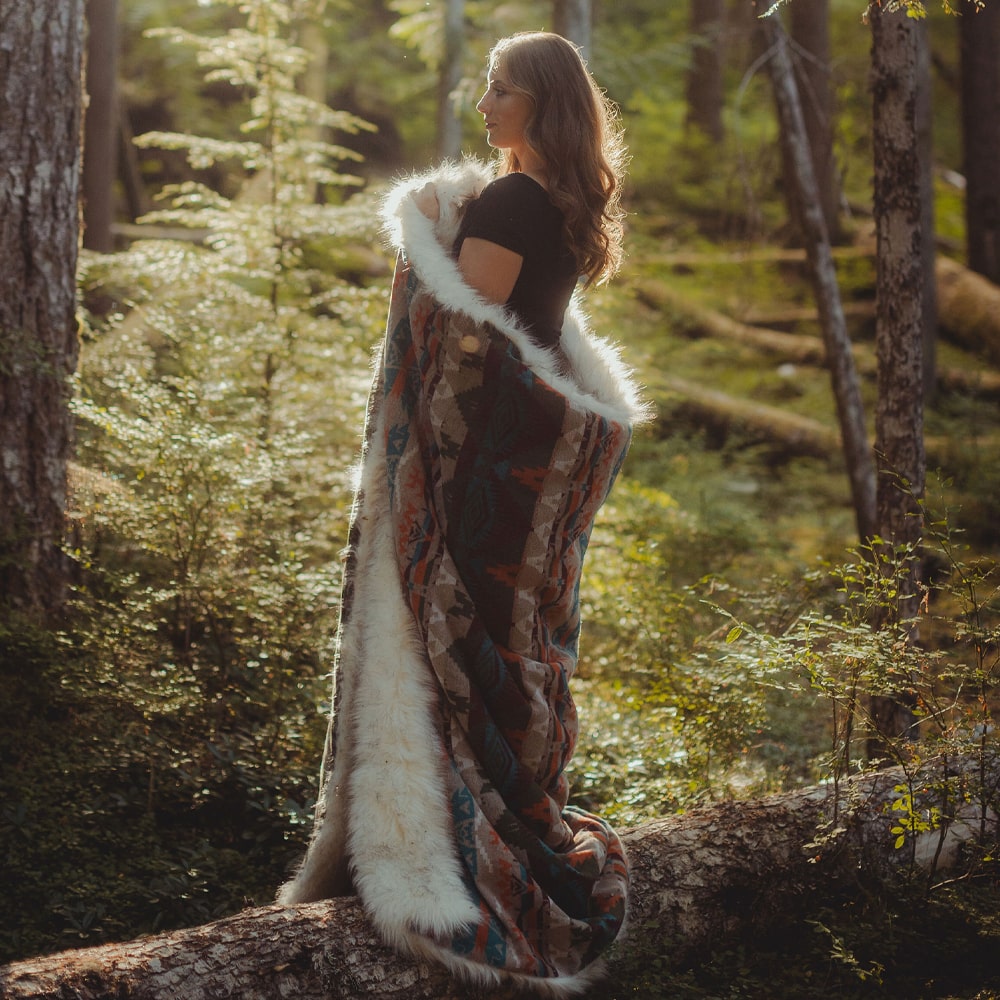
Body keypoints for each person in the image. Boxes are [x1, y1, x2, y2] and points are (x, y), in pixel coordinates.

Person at [279, 31, 647, 995]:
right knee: (497, 649)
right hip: (513, 475)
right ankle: (488, 832)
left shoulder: (515, 199)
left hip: (475, 469)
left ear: (542, 105)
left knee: (448, 649)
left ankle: (448, 858)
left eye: (500, 91)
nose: (483, 105)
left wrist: (425, 256)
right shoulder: (561, 202)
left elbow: (464, 342)